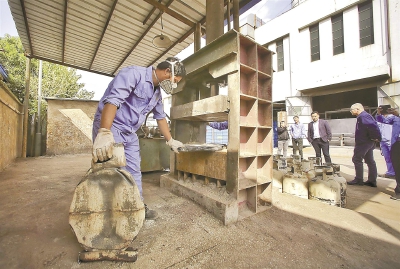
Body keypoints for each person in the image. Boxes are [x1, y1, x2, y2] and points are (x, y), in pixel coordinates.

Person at [92, 57, 186, 219]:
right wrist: (104, 132)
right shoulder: (133, 74)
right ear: (167, 71)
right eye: (175, 81)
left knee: (134, 171)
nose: (174, 85)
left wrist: (170, 140)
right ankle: (109, 213)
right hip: (112, 126)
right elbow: (113, 101)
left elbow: (161, 117)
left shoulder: (157, 94)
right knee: (112, 171)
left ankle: (137, 206)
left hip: (130, 132)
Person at [348, 103, 381, 186]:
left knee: (357, 159)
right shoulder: (364, 116)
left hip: (364, 142)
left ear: (357, 109)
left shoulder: (363, 116)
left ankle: (359, 180)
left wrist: (375, 137)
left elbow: (372, 126)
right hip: (367, 142)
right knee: (370, 161)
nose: (351, 112)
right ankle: (372, 181)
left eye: (351, 110)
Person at [376, 107, 400, 200]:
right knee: (397, 167)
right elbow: (382, 120)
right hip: (397, 143)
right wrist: (379, 113)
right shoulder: (395, 118)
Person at [375, 105, 396, 179]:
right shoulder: (379, 118)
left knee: (394, 158)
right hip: (383, 140)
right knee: (387, 157)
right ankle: (391, 172)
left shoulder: (393, 118)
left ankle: (396, 173)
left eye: (380, 109)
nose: (379, 110)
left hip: (392, 141)